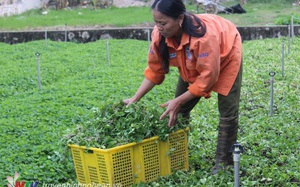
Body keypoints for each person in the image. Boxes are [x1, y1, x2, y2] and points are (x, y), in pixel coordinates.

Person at [123, 0, 242, 174]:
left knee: (227, 112)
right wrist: (135, 98)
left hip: (227, 52)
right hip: (191, 62)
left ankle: (224, 163)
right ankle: (177, 155)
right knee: (178, 109)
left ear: (179, 19)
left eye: (162, 23)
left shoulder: (205, 37)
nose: (158, 27)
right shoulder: (159, 34)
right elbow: (155, 70)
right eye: (156, 22)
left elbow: (208, 78)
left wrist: (178, 100)